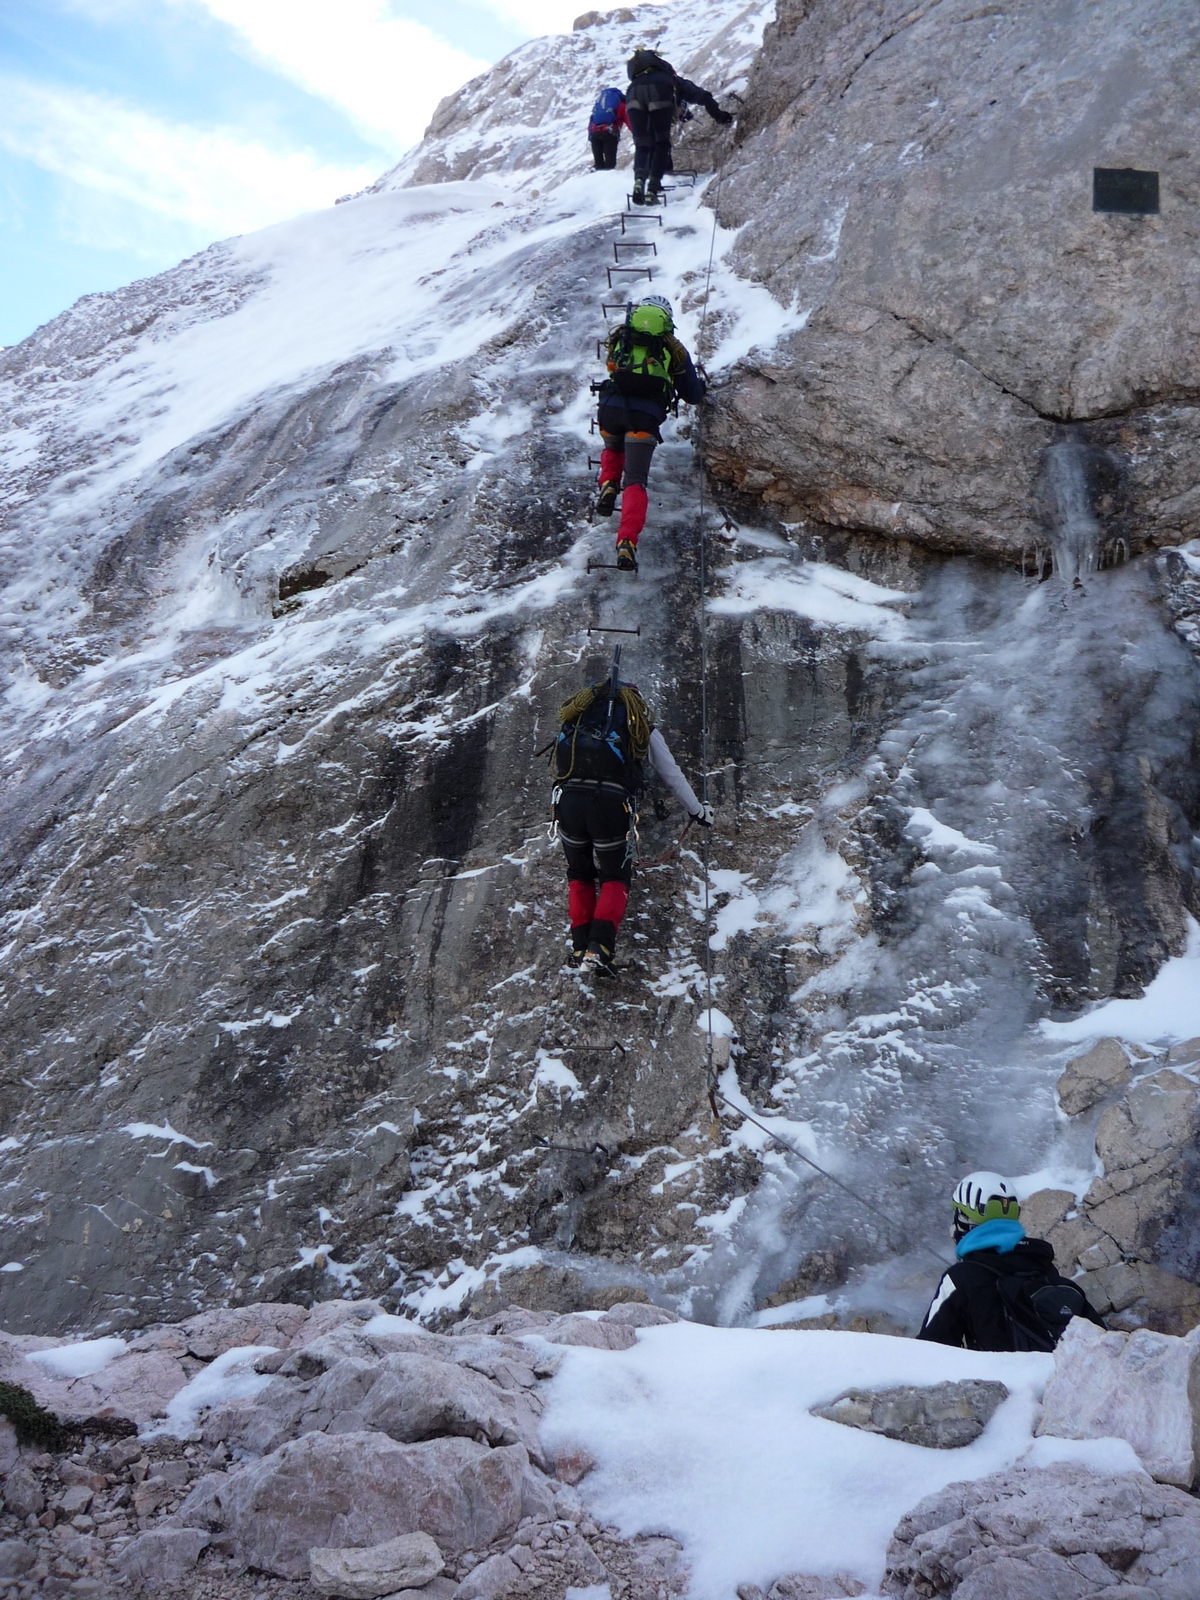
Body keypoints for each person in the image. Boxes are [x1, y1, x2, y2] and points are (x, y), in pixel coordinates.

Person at [550, 668, 713, 978]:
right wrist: (697, 811)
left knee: (579, 873)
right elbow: (671, 774)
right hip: (610, 804)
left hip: (568, 801)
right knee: (614, 875)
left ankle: (580, 947)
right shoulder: (638, 725)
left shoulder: (579, 719)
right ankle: (599, 948)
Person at [918, 1172, 1104, 1351]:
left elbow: (928, 1350)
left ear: (964, 1218)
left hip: (1000, 1373)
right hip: (1060, 1371)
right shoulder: (1043, 1268)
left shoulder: (960, 1278)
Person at [595, 294, 705, 570]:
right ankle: (626, 543)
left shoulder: (621, 336)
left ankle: (608, 485)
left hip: (609, 410)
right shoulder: (672, 347)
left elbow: (612, 369)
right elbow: (692, 395)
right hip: (643, 419)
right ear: (666, 321)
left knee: (612, 447)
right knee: (635, 479)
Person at [625, 46, 733, 205]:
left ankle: (639, 183)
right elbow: (703, 96)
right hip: (660, 91)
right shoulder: (669, 78)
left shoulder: (633, 84)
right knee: (662, 144)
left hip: (633, 95)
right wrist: (720, 117)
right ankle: (652, 189)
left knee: (642, 145)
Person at [588, 86, 631, 170]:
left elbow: (591, 120)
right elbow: (629, 122)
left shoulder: (601, 105)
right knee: (610, 164)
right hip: (609, 133)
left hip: (595, 134)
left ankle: (596, 174)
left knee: (598, 165)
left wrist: (591, 136)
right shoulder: (622, 105)